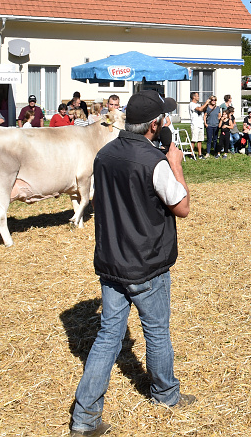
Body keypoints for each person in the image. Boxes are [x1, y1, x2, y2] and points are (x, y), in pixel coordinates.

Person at [69, 90, 194, 436]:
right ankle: (166, 395)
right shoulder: (155, 162)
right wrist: (176, 165)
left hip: (111, 261)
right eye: (164, 119)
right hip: (146, 264)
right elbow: (182, 207)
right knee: (156, 332)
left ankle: (84, 418)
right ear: (154, 125)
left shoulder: (104, 154)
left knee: (108, 335)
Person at [188, 93, 207, 158]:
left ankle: (200, 154)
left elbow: (203, 109)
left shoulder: (198, 104)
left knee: (200, 140)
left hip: (200, 124)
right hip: (195, 124)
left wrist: (207, 104)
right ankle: (191, 154)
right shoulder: (192, 104)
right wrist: (206, 103)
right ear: (194, 97)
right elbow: (199, 109)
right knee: (194, 140)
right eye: (197, 96)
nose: (198, 97)